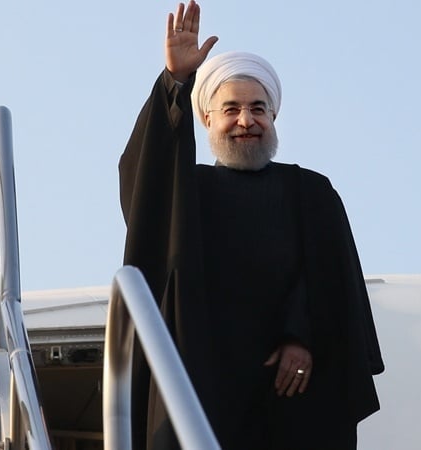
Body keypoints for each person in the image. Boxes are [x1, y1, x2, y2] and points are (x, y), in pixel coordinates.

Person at [118, 2, 384, 449]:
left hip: (291, 391)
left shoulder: (311, 192)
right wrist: (175, 82)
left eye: (258, 108)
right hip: (203, 379)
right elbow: (147, 184)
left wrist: (302, 337)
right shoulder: (189, 191)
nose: (246, 121)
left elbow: (332, 284)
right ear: (207, 119)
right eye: (231, 109)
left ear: (273, 116)